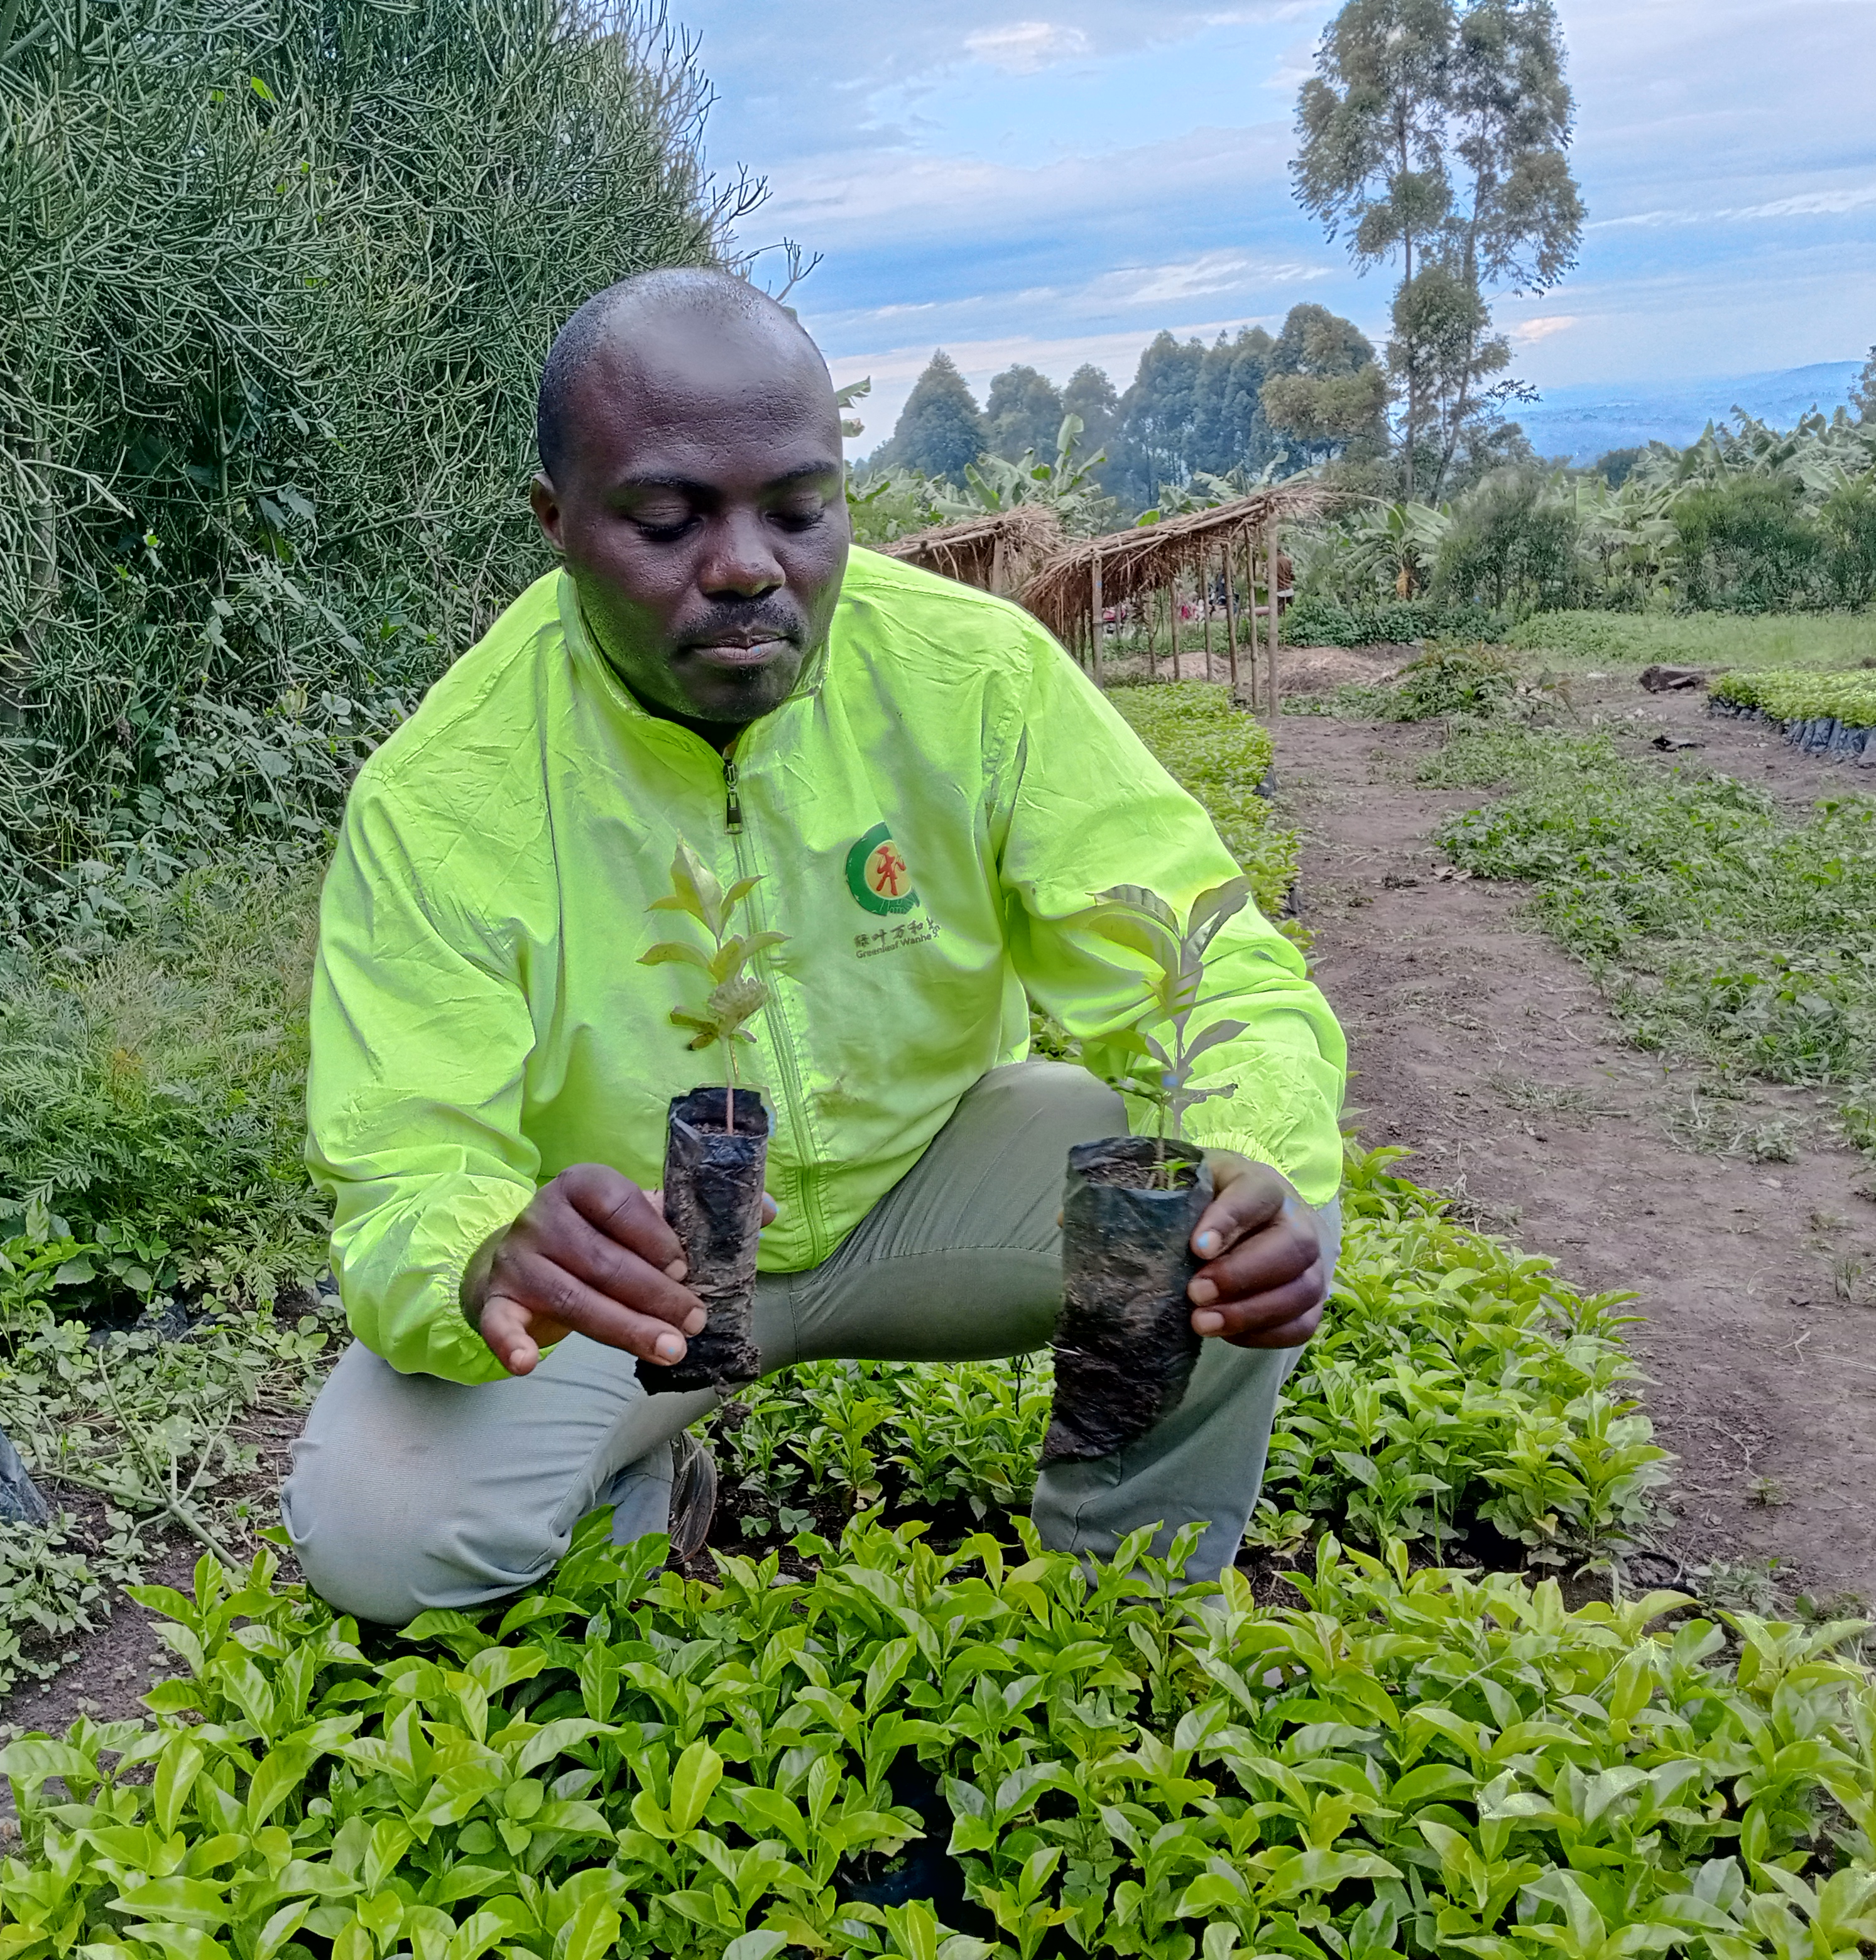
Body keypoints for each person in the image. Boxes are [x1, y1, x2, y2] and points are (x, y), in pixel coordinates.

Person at [284, 269, 1348, 1624]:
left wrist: (1256, 1141)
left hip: (930, 1193)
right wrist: (485, 1255)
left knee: (1228, 1213)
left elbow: (1216, 980)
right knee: (384, 1534)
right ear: (557, 526)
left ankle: (1124, 1608)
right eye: (668, 521)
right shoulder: (446, 794)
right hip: (646, 1277)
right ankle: (645, 1487)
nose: (745, 567)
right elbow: (404, 1162)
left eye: (798, 512)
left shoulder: (975, 677)